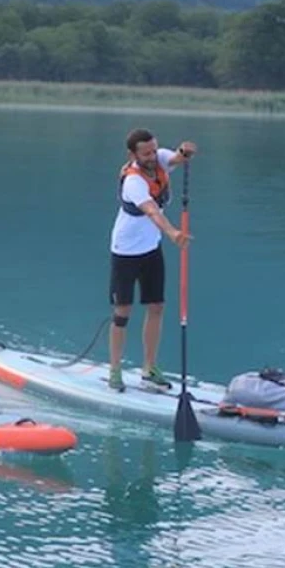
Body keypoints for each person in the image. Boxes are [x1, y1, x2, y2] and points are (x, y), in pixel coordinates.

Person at [108, 128, 195, 392]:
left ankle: (149, 368)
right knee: (123, 312)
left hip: (150, 249)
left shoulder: (159, 160)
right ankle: (115, 370)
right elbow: (152, 212)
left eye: (154, 150)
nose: (151, 156)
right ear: (132, 154)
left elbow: (176, 160)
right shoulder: (133, 181)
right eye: (145, 153)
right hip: (125, 251)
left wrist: (184, 151)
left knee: (156, 306)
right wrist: (173, 233)